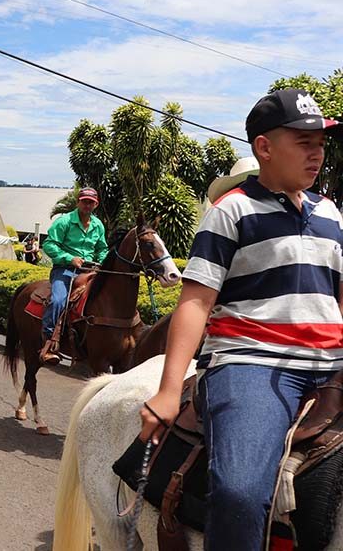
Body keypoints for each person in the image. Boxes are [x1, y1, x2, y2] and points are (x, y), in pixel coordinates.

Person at [138, 88, 343, 550]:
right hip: (252, 363)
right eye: (304, 142)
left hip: (332, 364)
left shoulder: (331, 213)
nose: (318, 154)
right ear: (264, 148)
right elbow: (195, 301)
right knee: (239, 492)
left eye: (322, 143)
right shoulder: (231, 211)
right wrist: (170, 391)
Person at [39, 187, 108, 365]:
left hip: (90, 271)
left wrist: (101, 262)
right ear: (78, 202)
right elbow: (49, 244)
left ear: (96, 204)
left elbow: (102, 248)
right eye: (84, 201)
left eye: (91, 202)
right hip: (65, 270)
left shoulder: (98, 225)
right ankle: (47, 342)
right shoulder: (65, 221)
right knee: (58, 300)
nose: (87, 205)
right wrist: (70, 258)